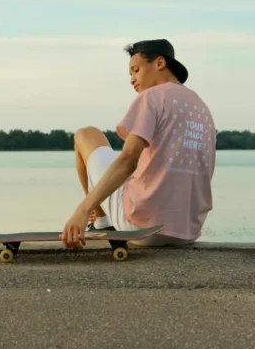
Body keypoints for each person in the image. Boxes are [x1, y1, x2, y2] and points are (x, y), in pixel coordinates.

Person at [60, 39, 216, 249]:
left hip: (141, 227)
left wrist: (83, 210)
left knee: (86, 135)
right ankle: (104, 220)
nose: (132, 79)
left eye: (136, 70)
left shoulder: (152, 97)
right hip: (187, 231)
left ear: (159, 63)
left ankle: (101, 222)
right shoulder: (202, 108)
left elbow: (128, 160)